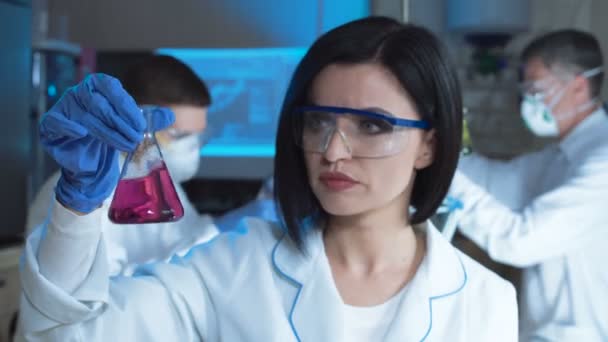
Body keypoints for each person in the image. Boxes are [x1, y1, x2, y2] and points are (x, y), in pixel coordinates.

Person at [20, 17, 517, 341]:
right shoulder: (235, 265)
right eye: (319, 121)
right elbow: (66, 337)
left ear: (429, 143)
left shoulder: (485, 300)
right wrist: (78, 206)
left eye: (373, 126)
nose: (332, 151)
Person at [449, 29, 608, 341]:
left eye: (536, 90)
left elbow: (519, 241)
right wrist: (444, 154)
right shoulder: (559, 157)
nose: (527, 101)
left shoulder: (602, 163)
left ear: (578, 87)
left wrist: (448, 178)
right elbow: (498, 181)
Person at [24, 55, 219, 276]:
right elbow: (96, 295)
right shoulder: (82, 192)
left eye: (199, 137)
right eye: (180, 135)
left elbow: (187, 240)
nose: (192, 148)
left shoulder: (158, 180)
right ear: (136, 119)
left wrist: (226, 231)